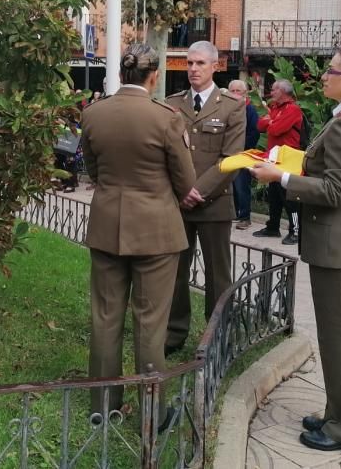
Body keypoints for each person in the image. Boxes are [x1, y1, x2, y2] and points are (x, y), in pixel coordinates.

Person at [250, 47, 341, 453]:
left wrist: (282, 177)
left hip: (340, 240)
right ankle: (337, 413)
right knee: (335, 334)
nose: (324, 76)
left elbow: (337, 190)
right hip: (339, 239)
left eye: (332, 70)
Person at [79, 43, 195, 423]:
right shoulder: (166, 117)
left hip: (108, 225)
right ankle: (152, 411)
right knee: (149, 321)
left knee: (106, 316)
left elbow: (93, 170)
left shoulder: (94, 114)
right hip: (156, 232)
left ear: (121, 75)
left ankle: (103, 405)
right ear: (153, 76)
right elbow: (185, 180)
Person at [164, 41, 245, 357]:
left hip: (214, 205)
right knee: (175, 273)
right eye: (189, 63)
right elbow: (167, 153)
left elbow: (232, 157)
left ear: (215, 66)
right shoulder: (173, 104)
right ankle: (174, 333)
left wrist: (198, 191)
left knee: (218, 275)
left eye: (199, 63)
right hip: (179, 206)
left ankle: (218, 336)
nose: (193, 69)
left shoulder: (232, 106)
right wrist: (184, 191)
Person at [252, 79, 304, 245]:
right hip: (274, 157)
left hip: (288, 159)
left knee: (289, 197)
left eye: (274, 90)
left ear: (282, 91)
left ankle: (295, 231)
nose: (271, 92)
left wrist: (271, 122)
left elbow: (276, 129)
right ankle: (273, 226)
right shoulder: (275, 108)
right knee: (274, 195)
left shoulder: (293, 109)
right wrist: (271, 121)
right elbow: (260, 125)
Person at [227, 79, 260, 230]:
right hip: (228, 153)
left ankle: (245, 217)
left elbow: (254, 133)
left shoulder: (250, 110)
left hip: (244, 153)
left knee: (242, 185)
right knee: (230, 185)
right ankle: (234, 213)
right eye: (232, 91)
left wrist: (241, 147)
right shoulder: (227, 109)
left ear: (245, 93)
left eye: (237, 91)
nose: (234, 94)